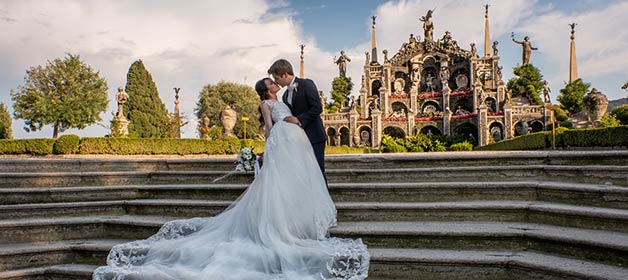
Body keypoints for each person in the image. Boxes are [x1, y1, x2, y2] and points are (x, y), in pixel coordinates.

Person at [92, 77, 370, 280]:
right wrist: (268, 150)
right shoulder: (266, 103)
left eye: (275, 80)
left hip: (293, 143)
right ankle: (276, 229)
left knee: (288, 186)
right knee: (275, 188)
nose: (275, 83)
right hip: (281, 142)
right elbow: (271, 128)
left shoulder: (283, 98)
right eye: (271, 82)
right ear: (266, 88)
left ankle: (292, 224)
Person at [268, 59, 327, 176]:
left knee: (318, 173)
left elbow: (317, 108)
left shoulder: (306, 84)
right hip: (298, 140)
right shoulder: (285, 96)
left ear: (285, 74)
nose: (276, 82)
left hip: (314, 137)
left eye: (277, 78)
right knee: (304, 174)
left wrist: (299, 119)